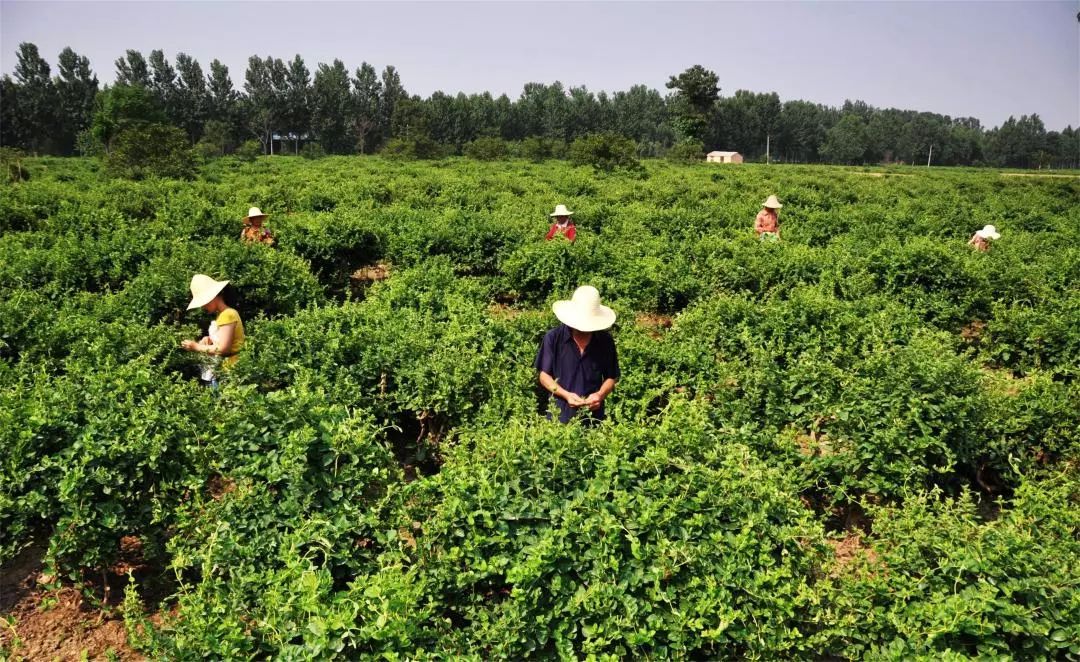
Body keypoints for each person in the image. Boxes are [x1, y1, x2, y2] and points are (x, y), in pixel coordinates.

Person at [535, 285, 619, 424]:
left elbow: (611, 377)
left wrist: (599, 395)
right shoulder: (554, 338)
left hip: (592, 418)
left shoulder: (605, 341)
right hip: (558, 417)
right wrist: (566, 395)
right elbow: (544, 376)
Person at [180, 274, 245, 385]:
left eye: (204, 301)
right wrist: (209, 339)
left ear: (213, 296)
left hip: (231, 371)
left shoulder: (227, 315)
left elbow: (223, 349)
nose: (202, 306)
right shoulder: (225, 314)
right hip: (226, 369)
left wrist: (196, 347)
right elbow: (226, 339)